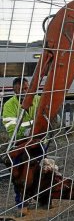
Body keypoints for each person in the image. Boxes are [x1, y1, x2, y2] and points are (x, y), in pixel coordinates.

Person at [2, 77, 40, 216]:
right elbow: (10, 127)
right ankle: (22, 204)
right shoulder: (9, 105)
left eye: (26, 88)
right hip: (19, 145)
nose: (24, 92)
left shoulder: (38, 99)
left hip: (38, 142)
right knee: (20, 177)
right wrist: (26, 131)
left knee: (42, 173)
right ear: (14, 90)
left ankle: (42, 198)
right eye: (20, 90)